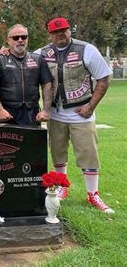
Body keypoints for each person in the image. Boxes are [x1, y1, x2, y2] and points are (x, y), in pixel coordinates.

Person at [39, 17, 114, 213]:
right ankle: (62, 187)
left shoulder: (86, 49)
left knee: (88, 154)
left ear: (69, 30)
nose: (60, 35)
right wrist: (5, 53)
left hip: (81, 112)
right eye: (56, 32)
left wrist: (90, 106)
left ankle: (93, 194)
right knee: (57, 152)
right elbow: (25, 61)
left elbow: (103, 79)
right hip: (55, 113)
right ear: (50, 34)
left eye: (63, 30)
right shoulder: (43, 53)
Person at [0, 24, 53, 126]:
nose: (20, 40)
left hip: (32, 114)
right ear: (8, 41)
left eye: (24, 37)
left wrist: (46, 110)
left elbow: (47, 85)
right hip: (7, 115)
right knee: (6, 142)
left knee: (31, 142)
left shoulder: (38, 60)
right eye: (16, 38)